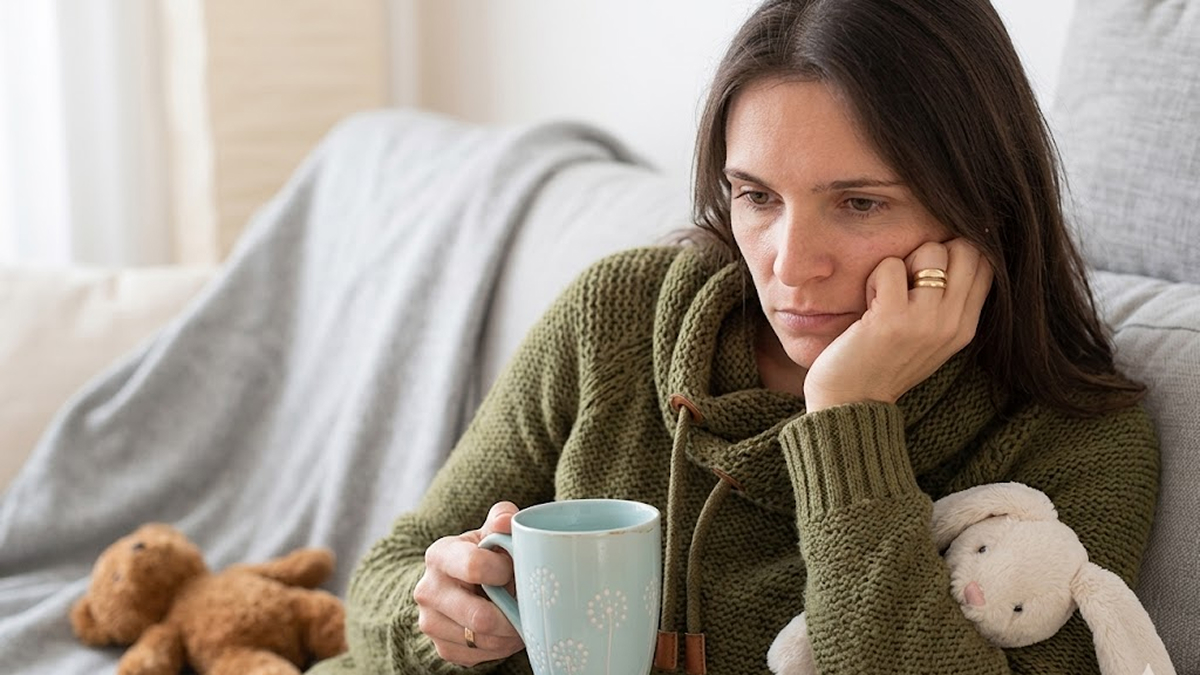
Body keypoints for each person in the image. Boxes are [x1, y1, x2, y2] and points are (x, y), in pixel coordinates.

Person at [308, 0, 1158, 673]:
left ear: (982, 208)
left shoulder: (1075, 438)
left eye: (859, 203)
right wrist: (446, 619)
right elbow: (386, 581)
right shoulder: (620, 315)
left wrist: (848, 421)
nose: (790, 264)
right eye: (756, 197)